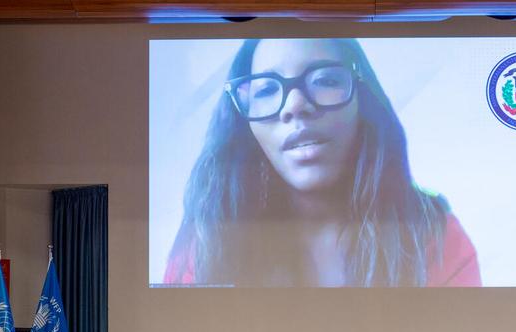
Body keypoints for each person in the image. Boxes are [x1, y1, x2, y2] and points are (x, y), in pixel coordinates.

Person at [164, 38, 481, 287]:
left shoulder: (435, 237)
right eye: (267, 89)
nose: (295, 105)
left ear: (362, 100)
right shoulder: (206, 243)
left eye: (325, 80)